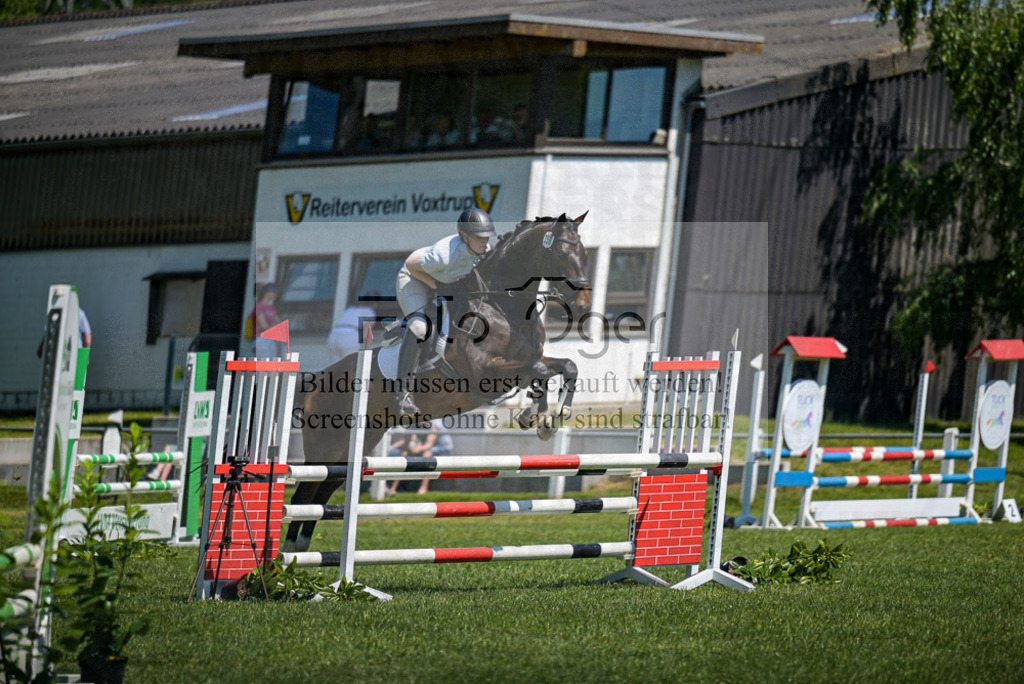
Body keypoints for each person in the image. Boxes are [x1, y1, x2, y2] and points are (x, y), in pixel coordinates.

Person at [394, 208, 495, 415]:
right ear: (464, 236)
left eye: (486, 236)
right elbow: (412, 266)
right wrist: (436, 286)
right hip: (415, 279)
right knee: (421, 328)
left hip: (444, 282)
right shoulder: (443, 255)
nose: (484, 242)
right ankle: (403, 393)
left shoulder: (484, 251)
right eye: (479, 237)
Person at [386, 419, 452, 496]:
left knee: (427, 455)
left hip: (441, 448)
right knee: (403, 454)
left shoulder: (434, 424)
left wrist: (418, 449)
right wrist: (412, 448)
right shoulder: (414, 423)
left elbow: (429, 444)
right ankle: (393, 488)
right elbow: (410, 441)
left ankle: (424, 487)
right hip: (424, 447)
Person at [327, 295, 378, 363]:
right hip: (349, 335)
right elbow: (365, 334)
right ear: (374, 304)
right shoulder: (369, 311)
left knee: (337, 367)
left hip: (333, 335)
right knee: (352, 364)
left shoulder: (351, 309)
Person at [251, 284, 281, 358]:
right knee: (263, 362)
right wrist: (274, 327)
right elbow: (263, 326)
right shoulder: (259, 306)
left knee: (272, 362)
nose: (275, 295)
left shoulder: (272, 308)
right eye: (273, 292)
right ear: (266, 293)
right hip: (261, 339)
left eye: (276, 293)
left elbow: (279, 323)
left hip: (271, 339)